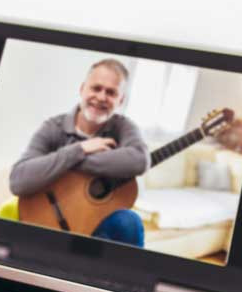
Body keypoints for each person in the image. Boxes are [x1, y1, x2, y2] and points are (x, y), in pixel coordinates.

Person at [8, 59, 150, 246]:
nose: (101, 97)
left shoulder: (124, 127)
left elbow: (140, 160)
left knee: (129, 222)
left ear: (120, 100)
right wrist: (79, 149)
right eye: (96, 88)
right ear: (82, 89)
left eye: (111, 92)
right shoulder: (53, 127)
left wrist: (74, 163)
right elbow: (18, 180)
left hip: (98, 223)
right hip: (50, 222)